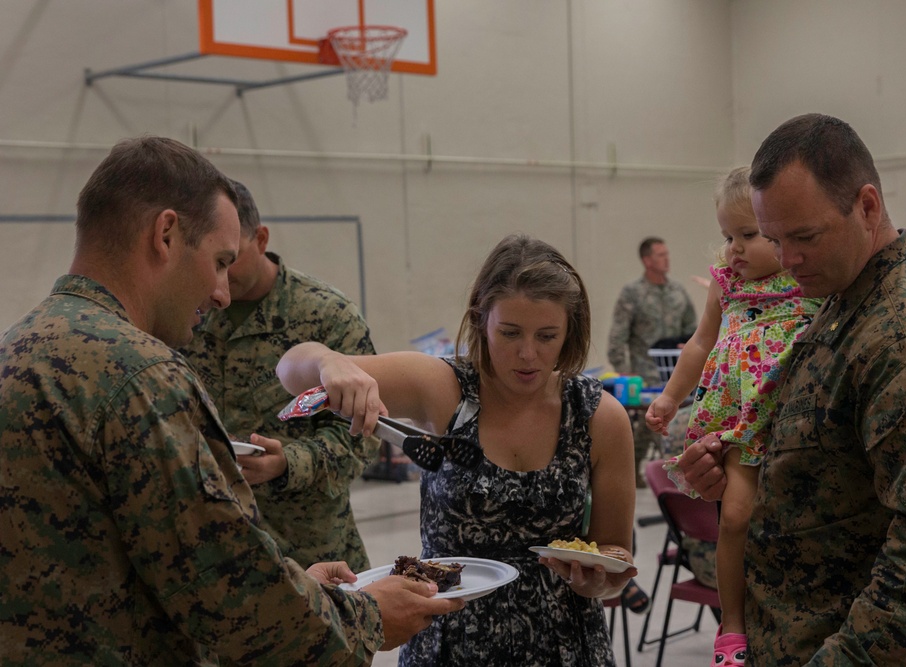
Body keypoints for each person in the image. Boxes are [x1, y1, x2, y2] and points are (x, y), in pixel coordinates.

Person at [0, 136, 462, 664]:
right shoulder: (141, 374)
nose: (221, 292)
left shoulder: (20, 345)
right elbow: (232, 592)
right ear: (165, 234)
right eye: (219, 261)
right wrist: (367, 617)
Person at [676, 113, 906, 665]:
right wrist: (732, 462)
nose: (787, 261)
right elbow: (827, 459)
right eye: (773, 239)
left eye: (805, 237)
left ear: (867, 207)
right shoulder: (839, 299)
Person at [277, 234, 638, 666]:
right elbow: (292, 369)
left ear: (570, 332)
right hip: (448, 638)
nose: (527, 354)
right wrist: (329, 363)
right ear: (481, 320)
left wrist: (600, 583)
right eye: (509, 333)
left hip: (563, 643)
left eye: (547, 336)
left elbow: (615, 551)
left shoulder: (598, 417)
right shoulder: (443, 389)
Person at [646, 166, 822, 664]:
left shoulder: (805, 280)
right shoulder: (726, 285)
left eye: (749, 234)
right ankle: (732, 626)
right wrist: (669, 398)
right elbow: (701, 342)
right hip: (743, 424)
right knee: (736, 517)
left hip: (794, 421)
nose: (735, 248)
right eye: (728, 236)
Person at [179, 181, 378, 572]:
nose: (219, 279)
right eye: (213, 260)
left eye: (230, 260)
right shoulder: (186, 311)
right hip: (215, 554)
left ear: (261, 238)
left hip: (311, 553)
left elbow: (364, 436)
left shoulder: (326, 317)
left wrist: (288, 462)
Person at [608, 236, 697, 489]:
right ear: (647, 260)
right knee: (649, 426)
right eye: (660, 255)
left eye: (667, 254)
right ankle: (633, 472)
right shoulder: (633, 293)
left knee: (678, 423)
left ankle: (673, 475)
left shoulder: (677, 291)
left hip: (675, 372)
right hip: (643, 374)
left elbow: (694, 331)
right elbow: (618, 336)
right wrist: (624, 373)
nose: (666, 259)